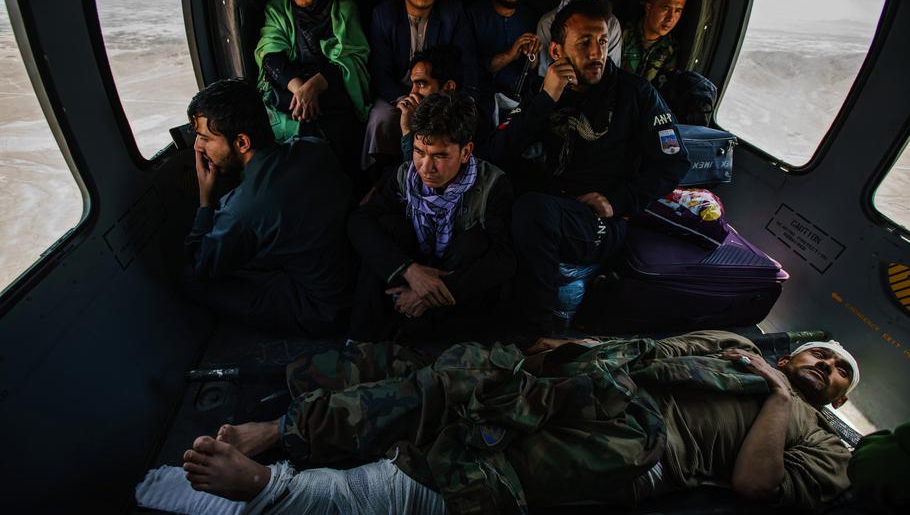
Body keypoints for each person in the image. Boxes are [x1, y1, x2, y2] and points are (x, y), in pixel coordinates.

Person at [159, 331, 859, 513]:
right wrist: (579, 347)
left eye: (837, 376)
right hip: (600, 383)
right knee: (451, 380)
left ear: (832, 401)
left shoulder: (823, 441)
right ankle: (290, 429)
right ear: (798, 349)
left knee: (477, 467)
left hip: (644, 447)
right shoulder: (735, 347)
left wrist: (775, 400)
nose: (825, 369)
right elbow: (657, 352)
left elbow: (756, 487)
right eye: (823, 356)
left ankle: (280, 493)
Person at [489, 0, 690, 329]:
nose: (596, 53)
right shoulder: (546, 90)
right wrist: (545, 100)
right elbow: (499, 154)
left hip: (599, 221)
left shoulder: (635, 93)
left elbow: (673, 163)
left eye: (601, 41)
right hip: (553, 204)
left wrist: (617, 201)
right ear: (556, 51)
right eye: (584, 43)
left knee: (532, 211)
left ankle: (535, 333)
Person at [182, 79, 354, 336]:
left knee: (191, 281)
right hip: (351, 277)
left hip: (321, 309)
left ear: (241, 142)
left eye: (205, 138)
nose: (197, 146)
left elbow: (200, 266)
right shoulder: (314, 148)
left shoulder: (241, 210)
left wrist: (206, 200)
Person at [346, 91, 515, 342]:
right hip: (407, 284)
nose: (425, 167)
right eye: (418, 151)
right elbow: (359, 222)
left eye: (439, 155)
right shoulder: (405, 176)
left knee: (474, 244)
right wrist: (410, 272)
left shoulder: (493, 185)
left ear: (466, 152)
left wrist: (430, 292)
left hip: (456, 302)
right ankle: (361, 340)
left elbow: (504, 260)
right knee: (386, 227)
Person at [254, 0, 371, 181]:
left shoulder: (343, 10)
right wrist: (300, 89)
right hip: (291, 88)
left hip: (332, 88)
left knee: (339, 130)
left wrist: (315, 86)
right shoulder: (278, 9)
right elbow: (270, 54)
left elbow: (352, 59)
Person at [362, 0, 479, 172]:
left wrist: (465, 101)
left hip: (439, 92)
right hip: (399, 92)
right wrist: (403, 98)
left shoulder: (452, 13)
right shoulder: (384, 15)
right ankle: (379, 177)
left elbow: (467, 63)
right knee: (380, 120)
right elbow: (380, 71)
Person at [467, 0, 540, 101]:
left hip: (521, 104)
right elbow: (469, 70)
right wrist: (509, 56)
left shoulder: (532, 17)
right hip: (481, 103)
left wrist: (533, 57)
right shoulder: (472, 16)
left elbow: (535, 73)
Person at [622, 0, 689, 82]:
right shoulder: (623, 34)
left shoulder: (671, 48)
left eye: (677, 11)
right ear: (648, 8)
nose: (671, 18)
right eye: (666, 9)